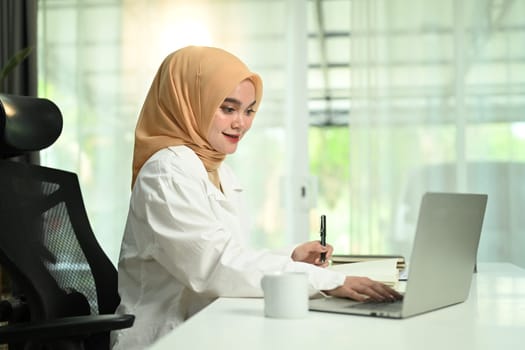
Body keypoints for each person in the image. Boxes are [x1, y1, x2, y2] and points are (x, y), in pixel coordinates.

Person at [110, 46, 401, 350]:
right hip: (167, 338)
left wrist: (290, 258)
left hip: (208, 326)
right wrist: (329, 282)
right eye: (228, 108)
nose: (242, 123)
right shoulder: (167, 171)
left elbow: (229, 254)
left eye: (249, 111)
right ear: (189, 102)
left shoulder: (216, 170)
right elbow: (215, 267)